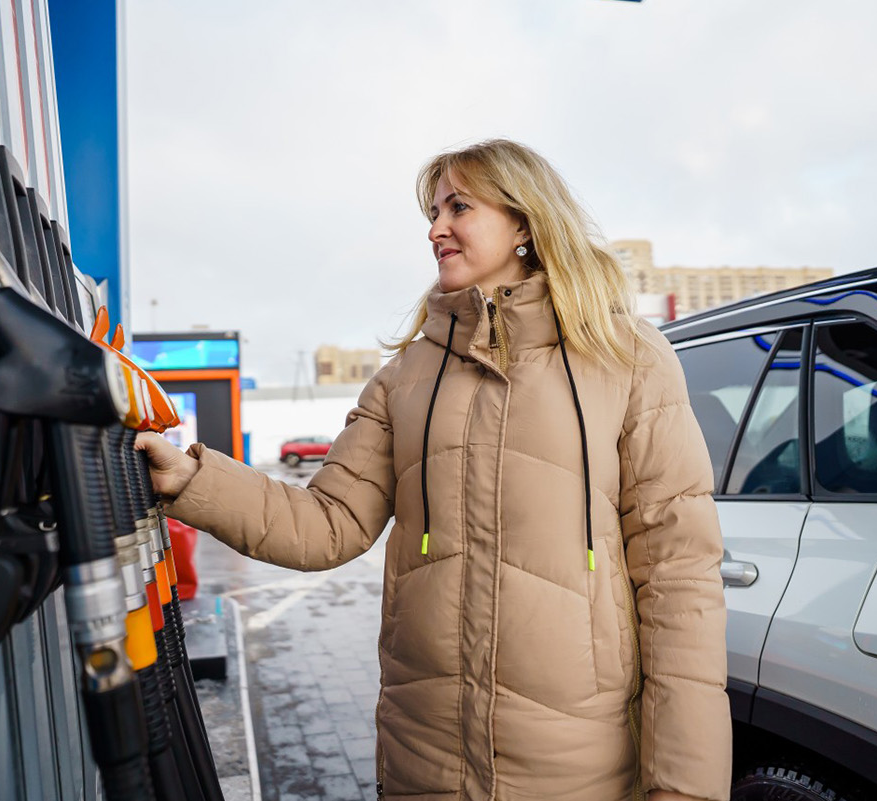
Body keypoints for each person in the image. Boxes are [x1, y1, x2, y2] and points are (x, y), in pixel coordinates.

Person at [137, 139, 729, 801]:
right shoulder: (406, 376)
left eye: (458, 206)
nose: (435, 227)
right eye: (433, 210)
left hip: (575, 764)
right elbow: (326, 523)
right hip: (425, 761)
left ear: (525, 222)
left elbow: (680, 578)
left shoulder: (626, 357)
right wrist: (192, 479)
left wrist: (685, 784)